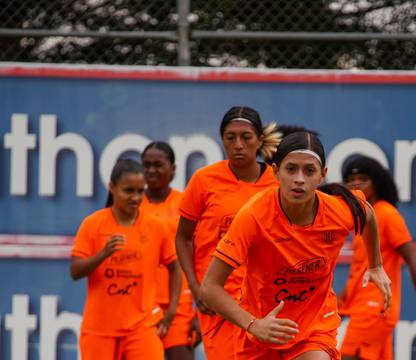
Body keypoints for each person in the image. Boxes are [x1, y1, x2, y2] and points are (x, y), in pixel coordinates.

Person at [200, 131, 392, 360]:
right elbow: (209, 288)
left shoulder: (339, 210)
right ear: (275, 172)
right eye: (291, 169)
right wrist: (254, 325)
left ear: (322, 175)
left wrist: (376, 265)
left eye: (309, 171)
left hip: (313, 329)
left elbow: (368, 215)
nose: (299, 179)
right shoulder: (254, 215)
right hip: (261, 331)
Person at [175, 106, 282, 358]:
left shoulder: (278, 182)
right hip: (218, 300)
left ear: (259, 140)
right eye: (230, 137)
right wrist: (196, 286)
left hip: (264, 299)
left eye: (246, 137)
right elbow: (183, 237)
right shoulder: (204, 180)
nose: (238, 144)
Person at [70, 158, 182, 360]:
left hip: (142, 328)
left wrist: (172, 310)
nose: (136, 197)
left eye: (140, 191)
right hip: (99, 331)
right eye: (128, 191)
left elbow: (175, 267)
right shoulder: (93, 224)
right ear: (112, 187)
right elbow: (75, 271)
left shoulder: (155, 227)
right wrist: (103, 254)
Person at [339, 156, 416, 360]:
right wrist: (338, 304)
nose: (355, 183)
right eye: (350, 179)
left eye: (363, 178)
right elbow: (360, 270)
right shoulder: (362, 217)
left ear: (377, 183)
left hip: (374, 311)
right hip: (368, 310)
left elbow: (413, 259)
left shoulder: (387, 214)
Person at [140, 141, 200, 359]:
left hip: (179, 307)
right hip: (139, 307)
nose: (151, 171)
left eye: (158, 165)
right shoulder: (131, 205)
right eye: (146, 165)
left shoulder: (186, 203)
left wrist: (199, 312)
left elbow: (201, 257)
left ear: (173, 169)